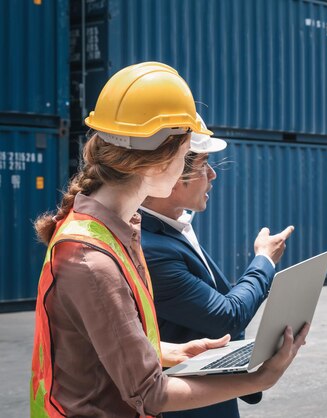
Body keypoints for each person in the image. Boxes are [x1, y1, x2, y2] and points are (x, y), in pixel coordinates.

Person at [30, 62, 308, 417]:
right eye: (185, 154)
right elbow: (150, 393)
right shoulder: (91, 258)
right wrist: (261, 378)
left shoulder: (113, 230)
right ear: (158, 163)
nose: (195, 169)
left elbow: (96, 342)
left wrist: (166, 350)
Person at [139, 114, 294, 418]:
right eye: (203, 165)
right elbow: (226, 316)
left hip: (210, 396)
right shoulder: (151, 248)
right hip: (186, 406)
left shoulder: (171, 227)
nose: (212, 175)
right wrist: (264, 260)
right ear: (170, 176)